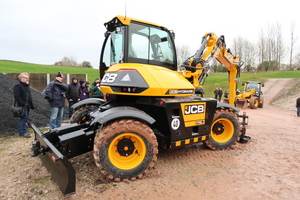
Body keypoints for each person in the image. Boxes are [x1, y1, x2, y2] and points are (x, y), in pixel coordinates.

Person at [13, 72, 34, 138]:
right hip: (22, 106)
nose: (27, 79)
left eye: (28, 78)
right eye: (26, 78)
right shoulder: (18, 86)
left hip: (27, 105)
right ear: (21, 78)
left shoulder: (26, 86)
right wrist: (23, 103)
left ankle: (21, 131)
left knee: (24, 118)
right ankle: (23, 132)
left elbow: (28, 96)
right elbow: (17, 96)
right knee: (23, 118)